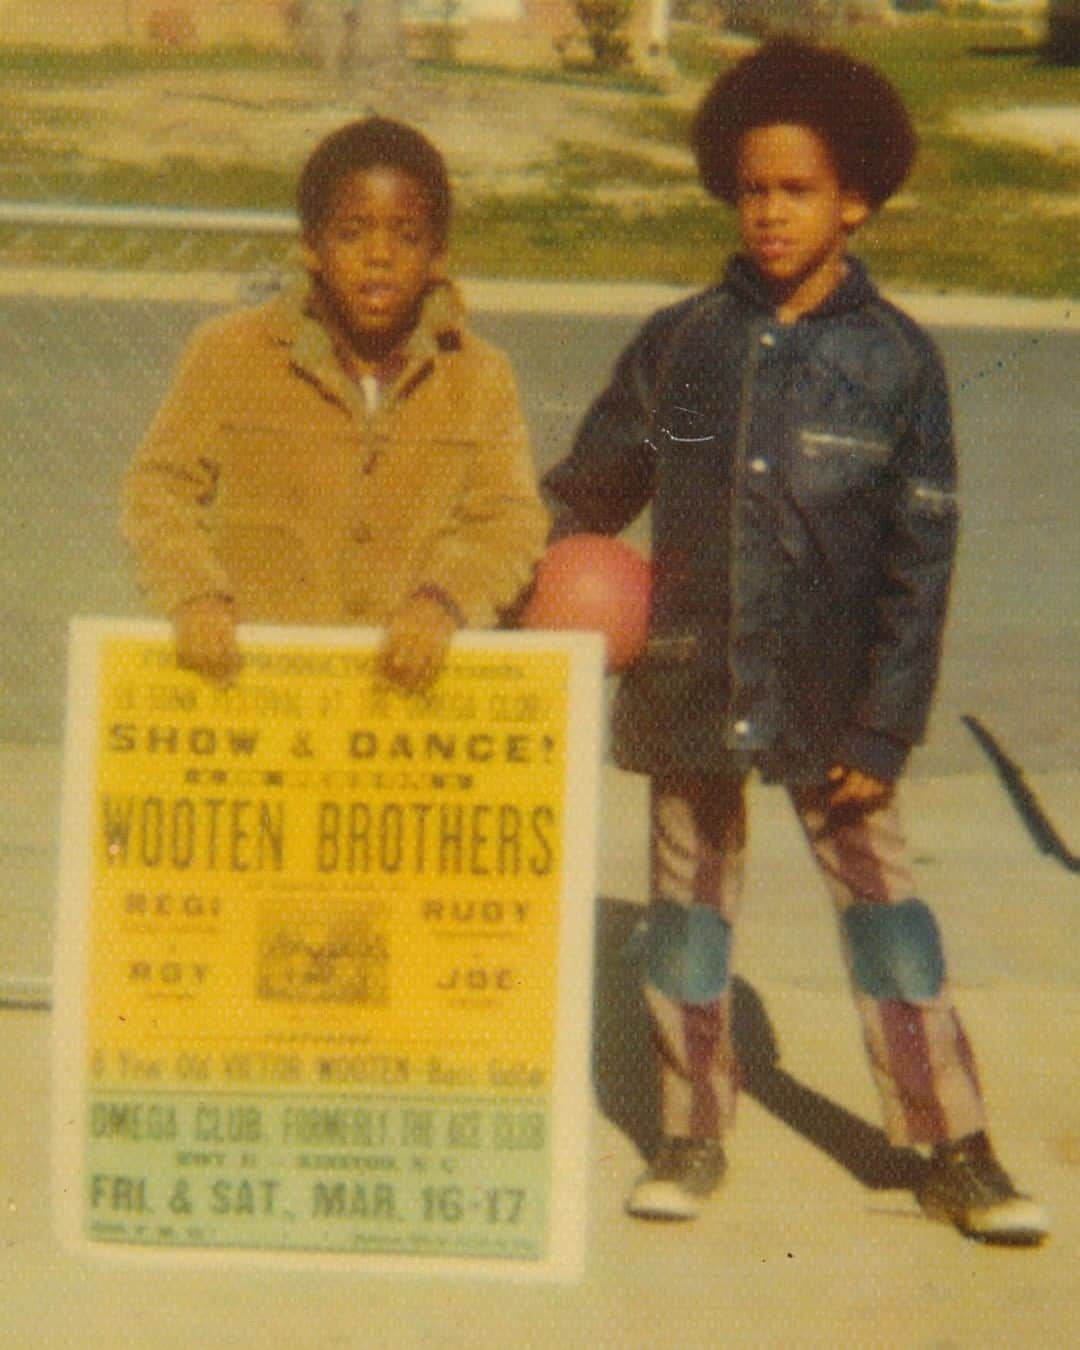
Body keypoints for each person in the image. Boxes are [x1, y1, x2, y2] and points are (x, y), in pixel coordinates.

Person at [541, 39, 1049, 1244]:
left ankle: (950, 1145)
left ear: (856, 198)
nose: (769, 214)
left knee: (888, 920)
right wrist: (543, 580)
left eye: (799, 191)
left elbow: (920, 568)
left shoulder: (899, 366)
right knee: (688, 915)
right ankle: (689, 1129)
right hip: (694, 679)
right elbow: (587, 495)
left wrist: (886, 720)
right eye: (752, 189)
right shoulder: (682, 346)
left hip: (838, 701)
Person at [124, 117, 547, 692]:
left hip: (408, 699)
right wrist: (194, 593)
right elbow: (158, 489)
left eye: (406, 235)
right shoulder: (227, 353)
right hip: (260, 687)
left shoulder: (479, 376)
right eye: (352, 233)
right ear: (311, 247)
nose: (380, 255)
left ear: (438, 254)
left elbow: (509, 520)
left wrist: (443, 602)